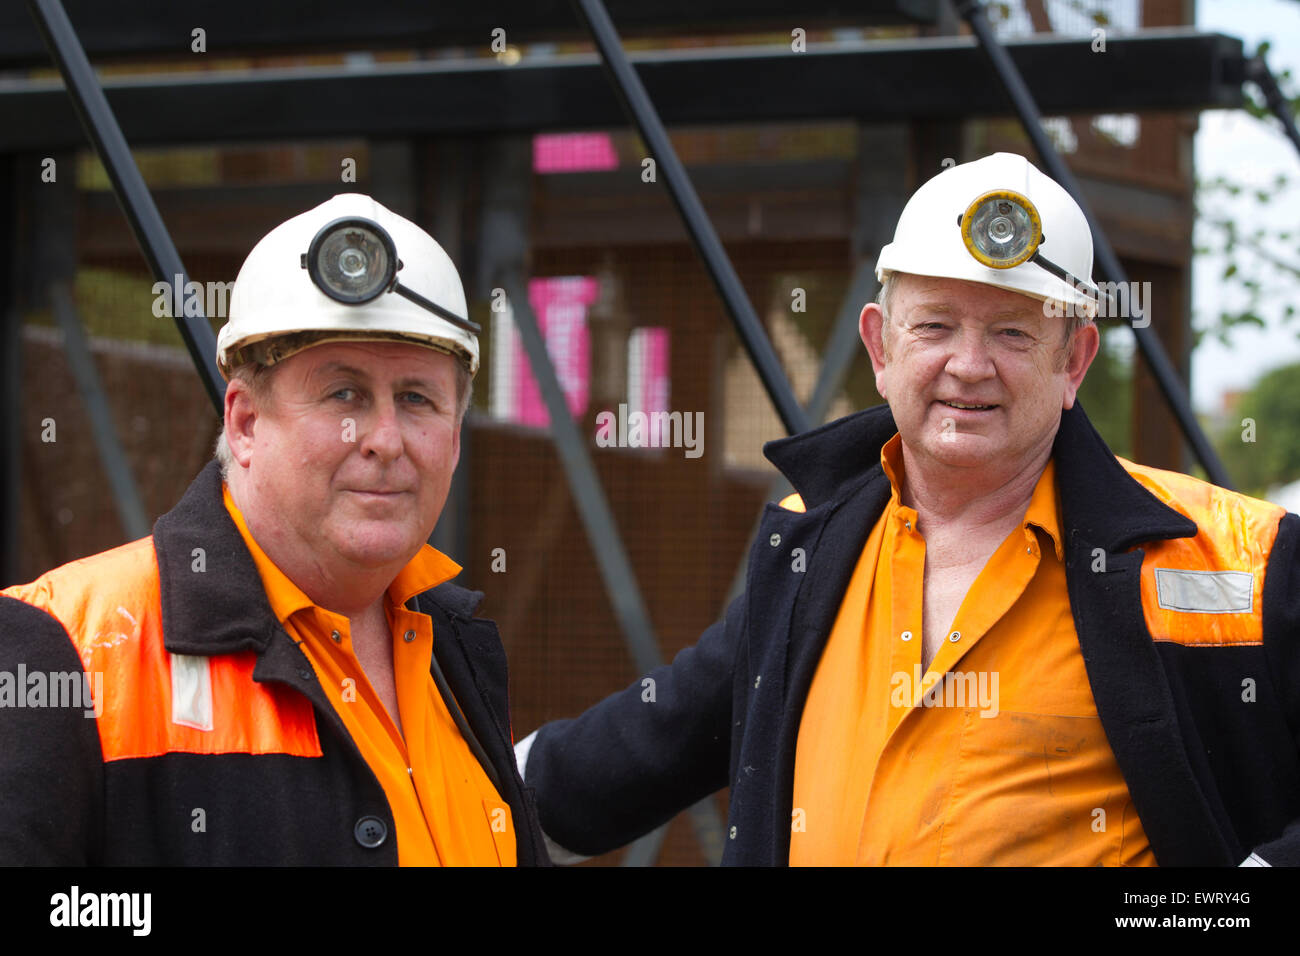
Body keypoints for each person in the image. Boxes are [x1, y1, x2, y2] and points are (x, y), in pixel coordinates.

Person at [516, 153, 1300, 867]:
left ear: (1076, 362)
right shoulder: (812, 542)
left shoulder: (1239, 559)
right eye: (934, 325)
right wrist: (455, 787)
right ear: (881, 348)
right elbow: (659, 736)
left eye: (1013, 333)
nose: (968, 363)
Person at [0, 193, 547, 866]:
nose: (384, 438)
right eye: (343, 393)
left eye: (416, 398)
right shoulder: (63, 648)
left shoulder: (453, 650)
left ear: (456, 437)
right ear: (245, 423)